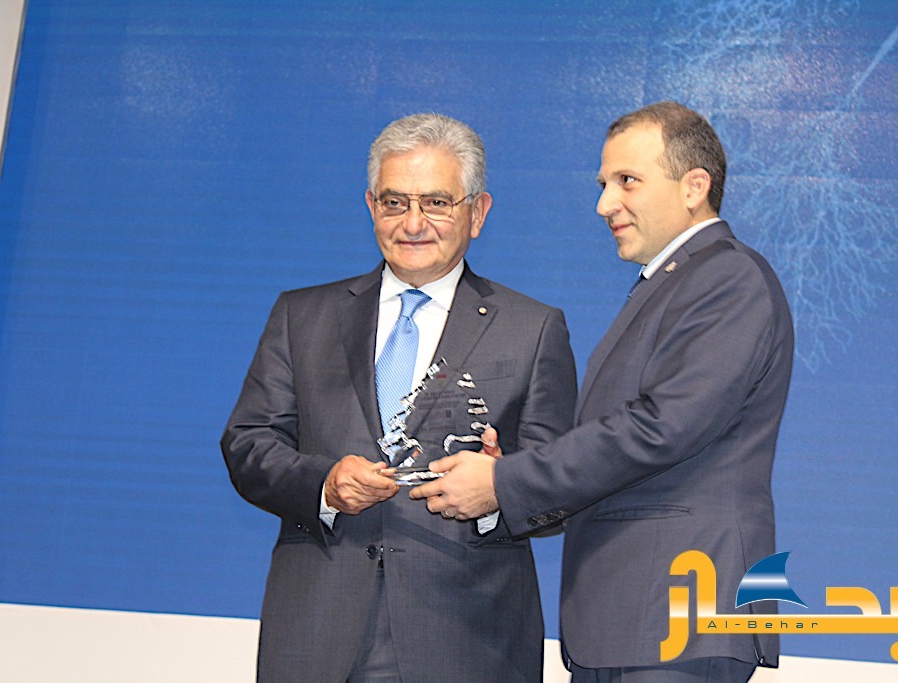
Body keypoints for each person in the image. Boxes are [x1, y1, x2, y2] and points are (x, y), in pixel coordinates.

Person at [411, 101, 794, 682]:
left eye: (627, 181)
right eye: (603, 184)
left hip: (676, 616)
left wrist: (504, 481)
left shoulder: (727, 277)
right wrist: (511, 470)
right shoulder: (676, 282)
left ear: (694, 187)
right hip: (635, 621)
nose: (605, 204)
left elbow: (660, 428)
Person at [221, 113, 577, 682]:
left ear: (477, 212)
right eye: (394, 203)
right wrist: (323, 485)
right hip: (317, 631)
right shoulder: (301, 316)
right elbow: (248, 444)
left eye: (436, 203)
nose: (413, 223)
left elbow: (562, 488)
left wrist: (498, 488)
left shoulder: (532, 330)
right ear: (371, 207)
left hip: (467, 639)